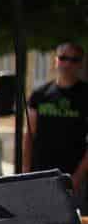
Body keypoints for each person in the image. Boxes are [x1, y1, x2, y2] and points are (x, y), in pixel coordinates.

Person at [23, 41, 88, 207]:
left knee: (71, 221)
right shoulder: (40, 95)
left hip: (72, 177)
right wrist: (25, 173)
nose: (67, 64)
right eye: (63, 58)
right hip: (40, 175)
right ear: (55, 60)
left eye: (74, 59)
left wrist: (77, 178)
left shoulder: (85, 95)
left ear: (81, 64)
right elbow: (29, 135)